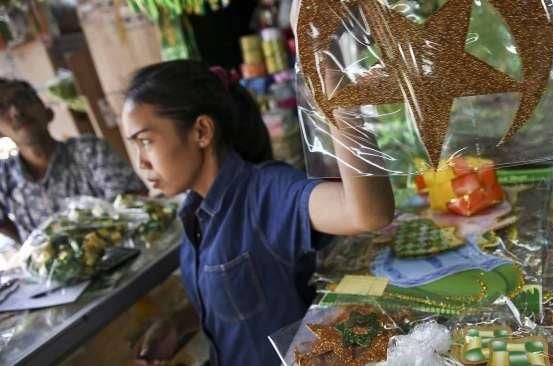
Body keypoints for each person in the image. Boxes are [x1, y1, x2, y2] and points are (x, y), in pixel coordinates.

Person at [123, 59, 394, 365]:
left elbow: (368, 213)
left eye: (145, 142)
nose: (140, 163)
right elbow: (238, 301)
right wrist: (179, 324)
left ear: (201, 131)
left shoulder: (267, 192)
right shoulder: (193, 213)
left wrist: (328, 67)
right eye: (134, 147)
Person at [0, 78, 147, 244]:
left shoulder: (89, 150)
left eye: (23, 99)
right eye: (2, 107)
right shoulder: (3, 176)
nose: (16, 111)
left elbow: (133, 200)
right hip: (52, 268)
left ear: (46, 111)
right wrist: (33, 249)